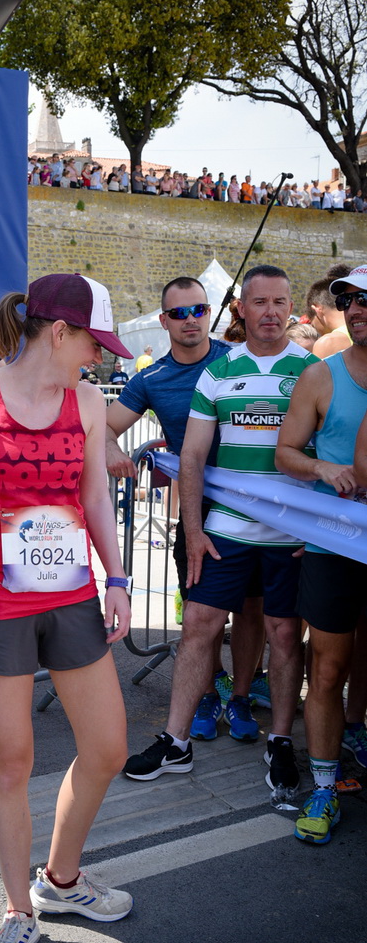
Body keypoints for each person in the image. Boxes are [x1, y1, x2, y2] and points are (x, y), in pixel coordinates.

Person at [0, 273, 134, 943]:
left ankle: (61, 879)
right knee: (11, 759)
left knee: (107, 746)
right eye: (93, 344)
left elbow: (93, 494)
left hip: (71, 593)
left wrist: (116, 577)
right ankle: (18, 912)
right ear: (59, 332)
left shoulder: (83, 400)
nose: (100, 359)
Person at [123, 266, 318, 791]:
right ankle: (175, 741)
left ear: (291, 307)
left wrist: (318, 531)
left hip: (290, 536)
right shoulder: (220, 370)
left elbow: (330, 453)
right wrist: (192, 530)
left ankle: (279, 740)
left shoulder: (313, 370)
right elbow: (191, 456)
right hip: (226, 530)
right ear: (242, 310)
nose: (272, 312)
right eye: (261, 303)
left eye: (281, 302)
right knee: (199, 627)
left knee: (283, 635)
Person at [105, 277, 266, 729]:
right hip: (197, 511)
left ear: (209, 310)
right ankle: (211, 687)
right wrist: (112, 450)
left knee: (251, 607)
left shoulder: (236, 361)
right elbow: (102, 426)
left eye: (198, 310)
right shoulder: (151, 378)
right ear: (164, 321)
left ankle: (240, 694)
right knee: (199, 609)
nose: (191, 320)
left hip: (252, 506)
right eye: (179, 313)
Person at [276, 265, 367, 842]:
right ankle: (325, 785)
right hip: (336, 542)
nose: (357, 310)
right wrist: (321, 467)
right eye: (351, 301)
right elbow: (285, 451)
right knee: (328, 665)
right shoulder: (321, 376)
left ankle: (353, 735)